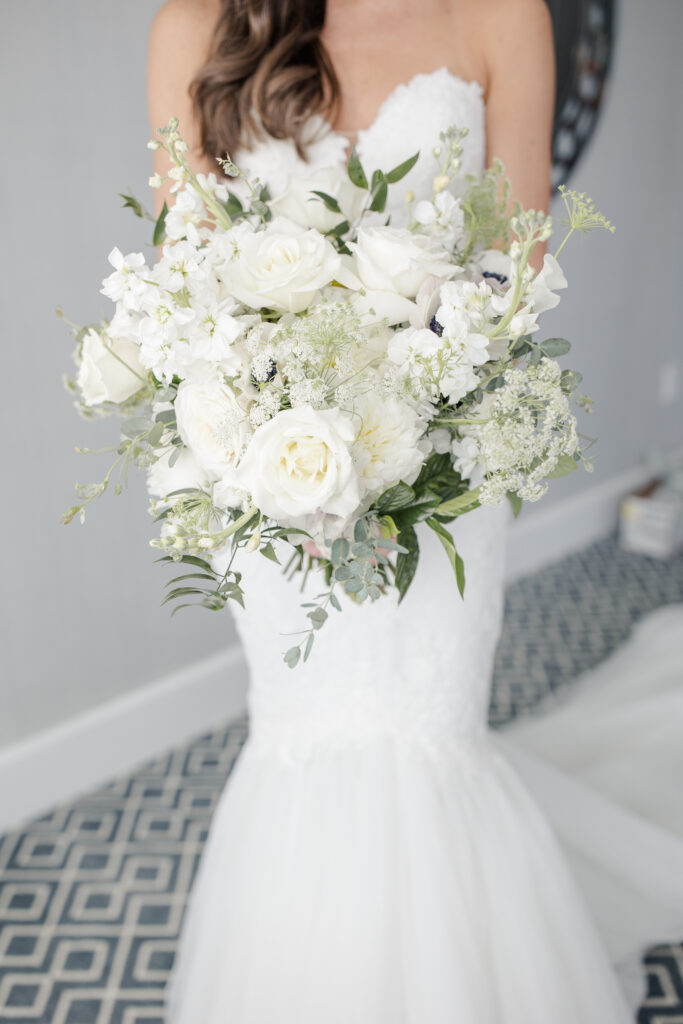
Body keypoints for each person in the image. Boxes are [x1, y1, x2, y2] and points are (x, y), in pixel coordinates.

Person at [147, 2, 683, 1020]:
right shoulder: (197, 23)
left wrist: (399, 395)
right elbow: (188, 284)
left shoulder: (500, 12)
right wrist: (279, 422)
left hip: (439, 464)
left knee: (426, 729)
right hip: (272, 467)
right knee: (304, 730)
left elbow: (515, 261)